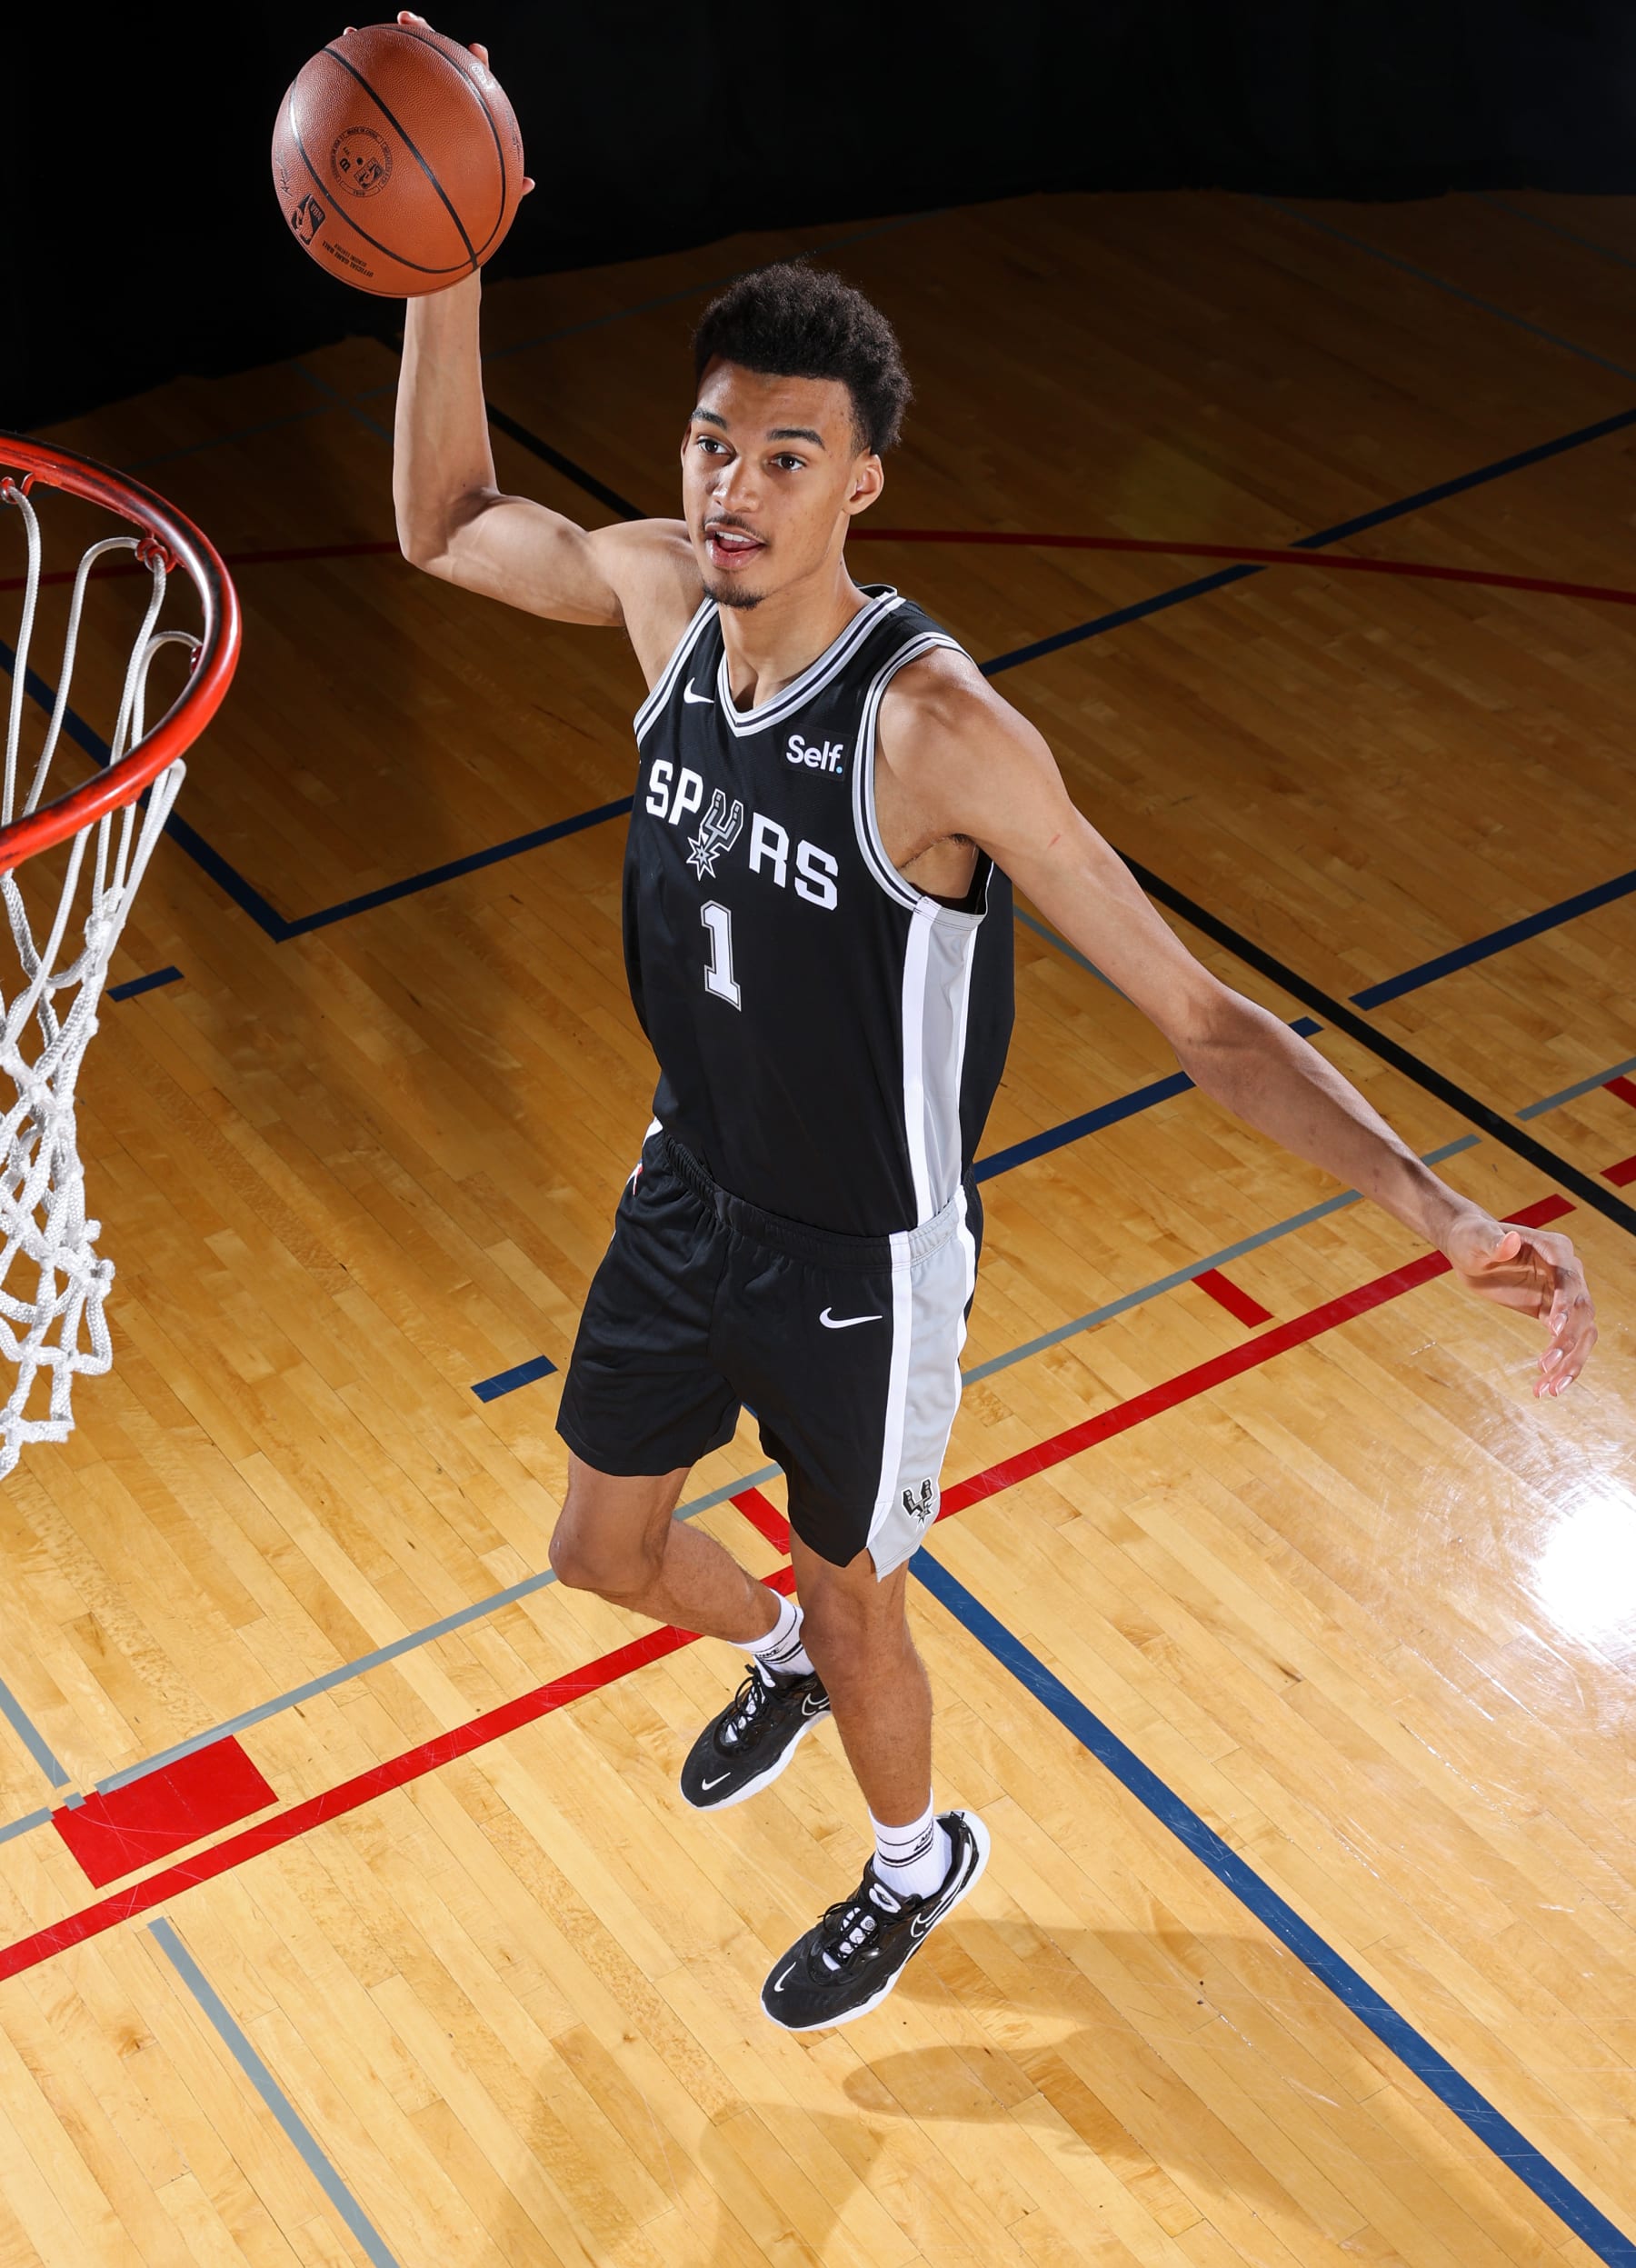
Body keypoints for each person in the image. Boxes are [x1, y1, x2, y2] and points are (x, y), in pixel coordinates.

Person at [392, 29, 1598, 2033]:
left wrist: (1427, 1200)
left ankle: (913, 1854)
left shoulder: (937, 733)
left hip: (870, 1259)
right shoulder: (658, 603)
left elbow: (1204, 1019)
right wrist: (445, 268)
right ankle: (768, 1645)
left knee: (870, 1601)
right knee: (599, 1551)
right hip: (689, 1186)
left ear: (861, 480)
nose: (734, 485)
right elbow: (444, 521)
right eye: (713, 443)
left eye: (786, 457)